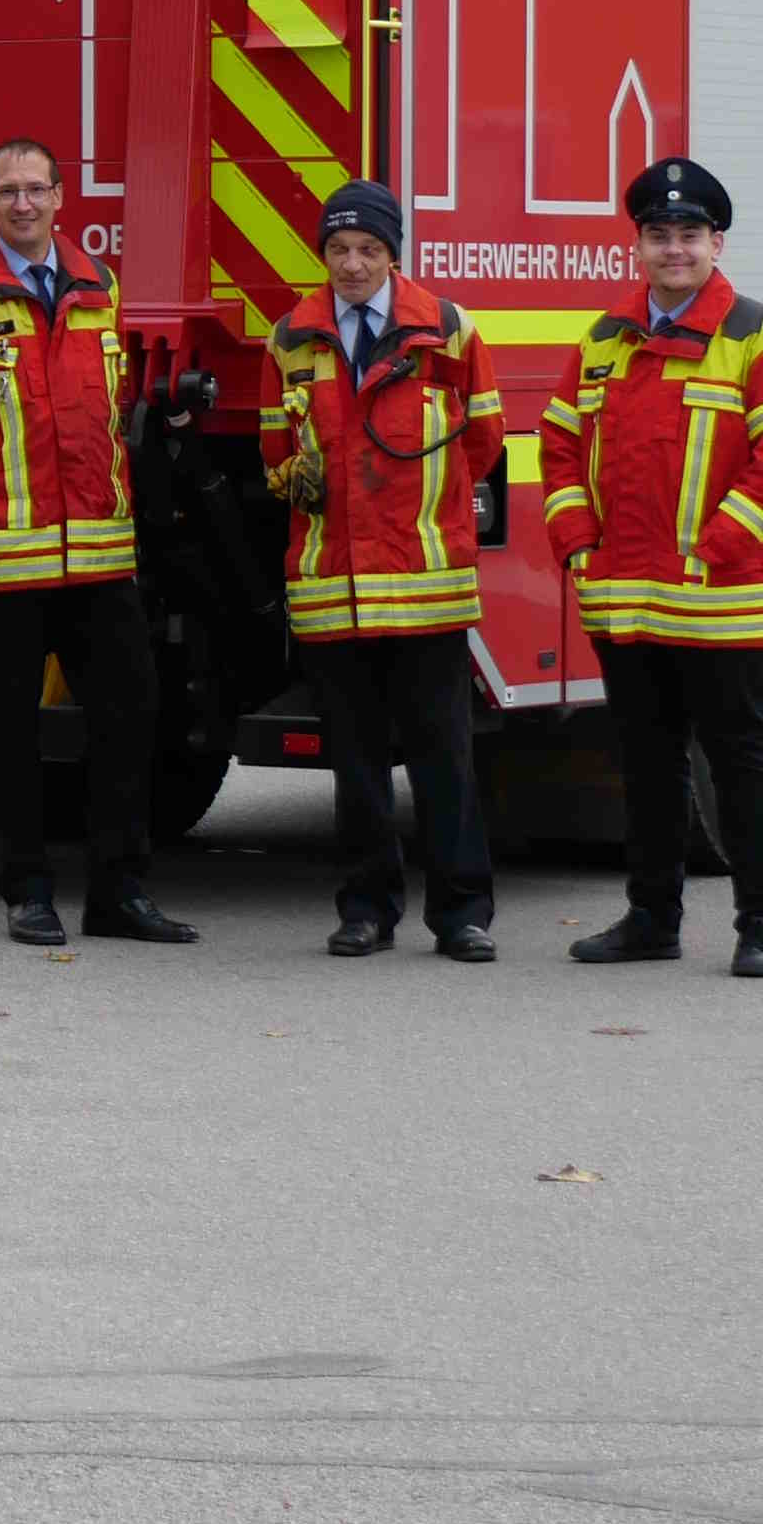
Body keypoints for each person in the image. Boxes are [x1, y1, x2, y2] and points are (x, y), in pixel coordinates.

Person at [0, 137, 191, 948]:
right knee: (11, 728)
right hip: (0, 556)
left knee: (131, 711)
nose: (23, 203)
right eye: (8, 191)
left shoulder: (100, 286)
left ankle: (119, 892)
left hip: (97, 553)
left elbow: (114, 409)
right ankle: (26, 891)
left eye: (36, 189)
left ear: (60, 198)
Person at [543, 157, 763, 977]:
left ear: (716, 244)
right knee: (647, 766)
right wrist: (578, 544)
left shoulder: (762, 337)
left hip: (719, 598)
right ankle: (651, 920)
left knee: (742, 764)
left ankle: (762, 925)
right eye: (659, 235)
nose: (675, 249)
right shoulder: (603, 339)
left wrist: (715, 549)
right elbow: (559, 447)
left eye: (690, 235)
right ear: (636, 246)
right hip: (625, 601)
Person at [261, 180, 504, 961]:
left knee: (444, 757)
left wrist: (420, 512)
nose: (353, 265)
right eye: (338, 250)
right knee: (357, 764)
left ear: (393, 254)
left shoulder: (449, 330)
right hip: (334, 589)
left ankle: (461, 914)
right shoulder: (289, 340)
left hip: (427, 588)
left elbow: (482, 443)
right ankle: (365, 910)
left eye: (369, 249)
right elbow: (276, 452)